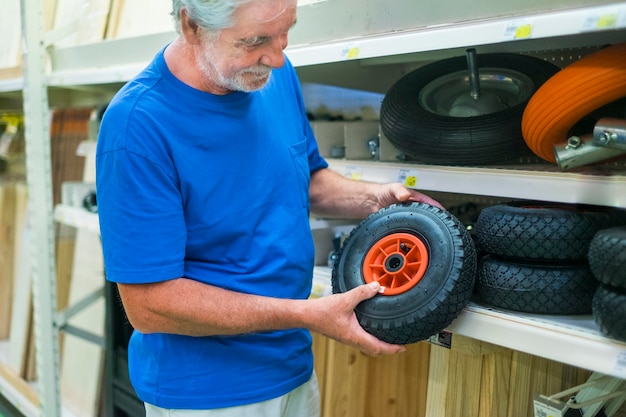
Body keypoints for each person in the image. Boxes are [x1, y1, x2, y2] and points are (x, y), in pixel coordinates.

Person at [95, 0, 442, 415]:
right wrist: (308, 314)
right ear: (191, 25)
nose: (277, 56)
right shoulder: (138, 126)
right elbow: (149, 305)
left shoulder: (270, 77)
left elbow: (307, 177)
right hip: (207, 394)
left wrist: (374, 197)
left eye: (285, 32)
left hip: (292, 367)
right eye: (256, 40)